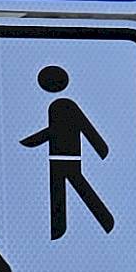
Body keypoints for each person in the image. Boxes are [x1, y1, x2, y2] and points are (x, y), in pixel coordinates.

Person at [20, 64, 114, 240]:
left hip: (69, 157)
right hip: (55, 158)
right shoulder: (55, 107)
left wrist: (101, 148)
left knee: (78, 186)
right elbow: (54, 130)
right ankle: (57, 230)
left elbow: (83, 127)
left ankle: (106, 221)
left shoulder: (65, 105)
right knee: (59, 192)